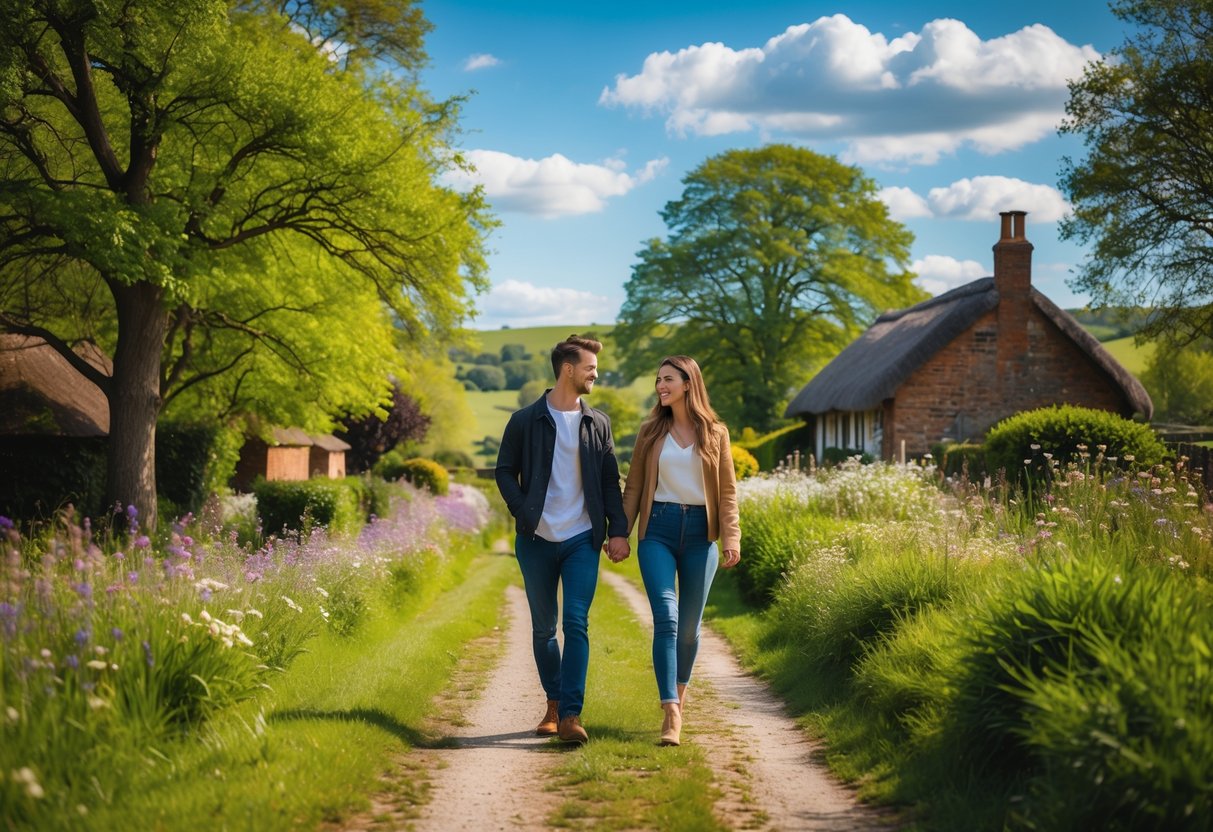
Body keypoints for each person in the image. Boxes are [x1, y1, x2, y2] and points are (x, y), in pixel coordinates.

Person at [495, 334, 631, 744]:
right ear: (568, 369)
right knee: (543, 629)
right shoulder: (524, 420)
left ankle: (571, 715)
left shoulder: (598, 422)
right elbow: (504, 470)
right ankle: (552, 703)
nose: (596, 374)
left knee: (576, 621)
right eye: (590, 367)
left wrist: (619, 530)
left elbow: (610, 481)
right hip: (535, 539)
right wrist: (523, 511)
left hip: (580, 539)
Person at [621, 355, 741, 746]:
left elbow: (726, 493)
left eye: (668, 379)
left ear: (688, 383)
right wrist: (620, 533)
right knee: (667, 618)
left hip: (700, 537)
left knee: (689, 630)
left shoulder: (716, 433)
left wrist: (731, 538)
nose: (660, 386)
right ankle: (670, 709)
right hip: (658, 529)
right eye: (658, 380)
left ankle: (681, 695)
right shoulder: (650, 431)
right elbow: (635, 487)